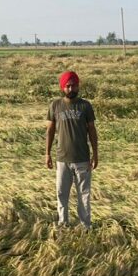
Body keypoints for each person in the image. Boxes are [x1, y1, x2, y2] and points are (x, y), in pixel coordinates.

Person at [45, 71, 98, 230]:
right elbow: (49, 131)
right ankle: (63, 223)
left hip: (82, 158)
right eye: (67, 86)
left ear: (78, 86)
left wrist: (95, 154)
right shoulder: (55, 105)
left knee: (84, 195)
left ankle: (85, 226)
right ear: (62, 87)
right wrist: (47, 154)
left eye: (73, 85)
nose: (71, 89)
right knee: (61, 193)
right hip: (62, 159)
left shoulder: (85, 106)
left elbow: (92, 131)